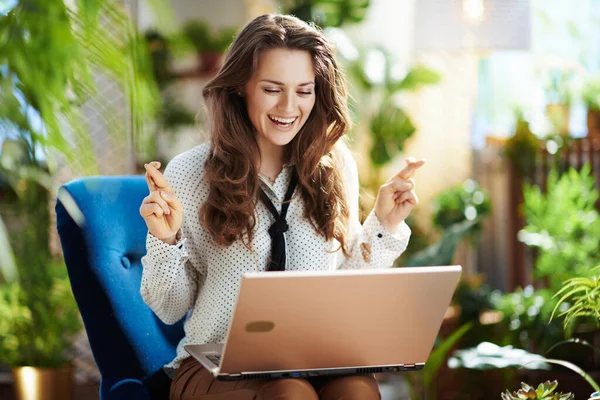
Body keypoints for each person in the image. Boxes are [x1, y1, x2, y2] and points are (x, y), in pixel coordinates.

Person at [140, 13, 425, 400]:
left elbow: (345, 291)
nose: (289, 106)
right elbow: (170, 309)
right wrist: (165, 239)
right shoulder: (191, 173)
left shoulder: (336, 166)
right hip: (216, 365)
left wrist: (385, 224)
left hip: (314, 359)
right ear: (242, 87)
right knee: (290, 394)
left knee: (358, 390)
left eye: (304, 90)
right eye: (273, 89)